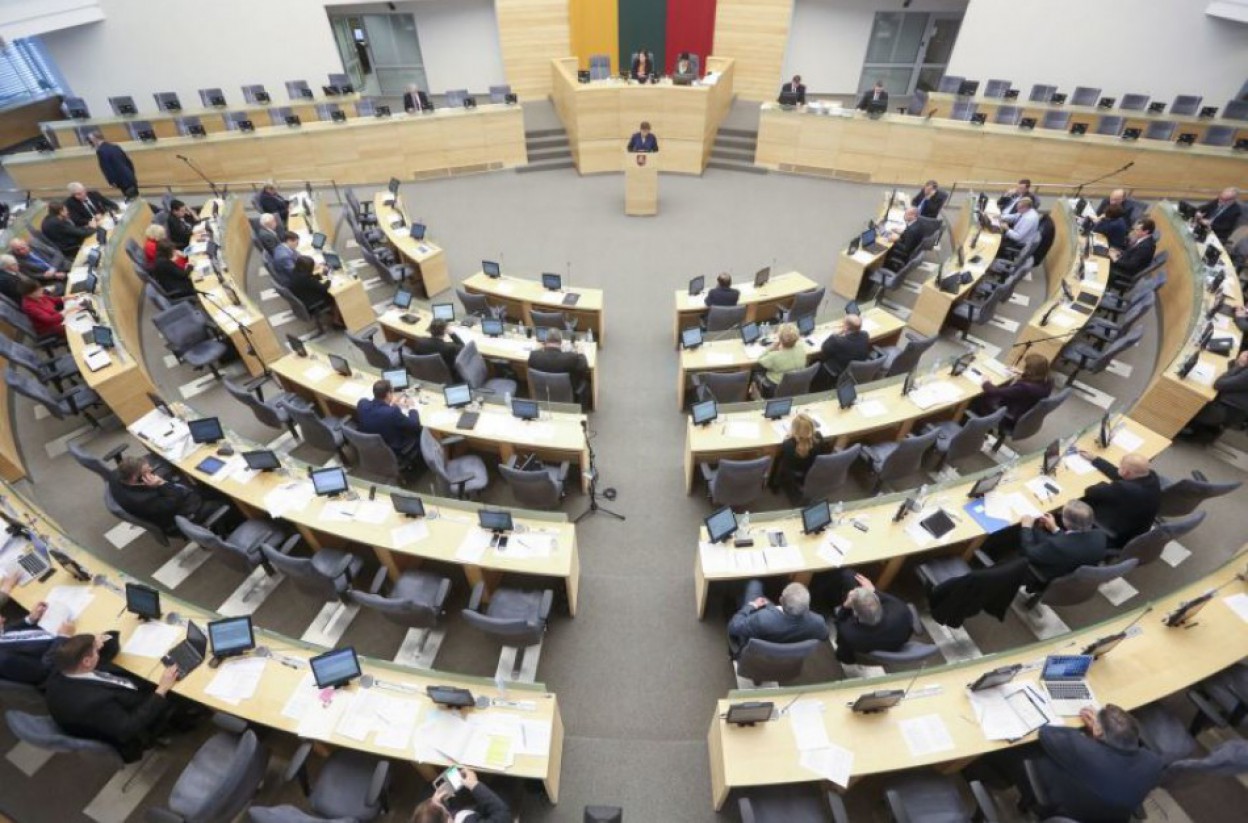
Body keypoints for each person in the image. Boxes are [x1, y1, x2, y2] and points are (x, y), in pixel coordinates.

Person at [45, 632, 181, 762]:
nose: (98, 651)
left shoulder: (63, 668)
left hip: (121, 690)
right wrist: (161, 690)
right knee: (180, 691)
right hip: (136, 719)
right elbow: (129, 727)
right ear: (86, 661)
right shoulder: (92, 703)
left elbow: (109, 648)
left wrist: (101, 639)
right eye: (96, 651)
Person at [1028, 704, 1164, 822]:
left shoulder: (1085, 751)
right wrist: (1097, 730)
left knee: (1030, 752)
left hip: (1072, 810)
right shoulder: (1154, 762)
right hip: (1116, 817)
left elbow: (1045, 733)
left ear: (1098, 731)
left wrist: (1090, 732)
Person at [109, 457, 217, 535]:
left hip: (169, 499)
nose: (151, 470)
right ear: (135, 478)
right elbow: (176, 500)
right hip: (182, 513)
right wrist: (162, 483)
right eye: (147, 472)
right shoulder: (144, 501)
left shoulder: (115, 476)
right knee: (219, 495)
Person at [0, 571, 74, 686]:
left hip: (51, 626)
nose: (3, 619)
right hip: (66, 647)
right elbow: (45, 670)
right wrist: (62, 637)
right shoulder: (5, 661)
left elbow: (10, 634)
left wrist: (30, 619)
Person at [826, 570, 914, 665]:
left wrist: (845, 606)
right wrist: (873, 590)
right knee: (848, 576)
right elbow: (887, 599)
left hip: (860, 651)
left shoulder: (849, 633)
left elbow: (839, 622)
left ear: (855, 613)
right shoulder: (900, 611)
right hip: (893, 643)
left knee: (846, 575)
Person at [1077, 451, 1161, 548]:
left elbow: (1091, 491)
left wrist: (1103, 484)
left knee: (1079, 501)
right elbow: (1120, 476)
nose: (1119, 468)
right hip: (1138, 526)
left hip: (1120, 535)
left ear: (1126, 472)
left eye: (1121, 466)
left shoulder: (1125, 489)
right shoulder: (1151, 476)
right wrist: (1096, 460)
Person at [726, 581, 828, 657]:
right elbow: (824, 636)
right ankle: (740, 599)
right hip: (788, 657)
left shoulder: (762, 619)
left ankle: (739, 600)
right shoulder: (818, 622)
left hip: (756, 652)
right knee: (761, 597)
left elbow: (733, 627)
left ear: (780, 600)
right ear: (807, 606)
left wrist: (751, 606)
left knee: (755, 584)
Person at [1020, 500, 1108, 586]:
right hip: (1077, 567)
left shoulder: (1056, 545)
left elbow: (1029, 553)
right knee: (1039, 530)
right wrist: (1055, 529)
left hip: (1051, 574)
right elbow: (1074, 540)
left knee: (1032, 532)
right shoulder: (1100, 535)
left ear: (1065, 522)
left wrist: (1026, 527)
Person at [1183, 351, 1248, 440]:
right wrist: (1238, 363)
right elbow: (1230, 368)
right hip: (1227, 403)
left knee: (1189, 397)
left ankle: (1188, 428)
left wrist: (1240, 365)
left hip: (1226, 410)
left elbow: (1218, 384)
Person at [971, 353, 1053, 423]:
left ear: (1031, 371)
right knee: (1003, 386)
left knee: (979, 397)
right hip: (1024, 408)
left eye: (1026, 368)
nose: (1024, 367)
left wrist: (986, 382)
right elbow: (1036, 379)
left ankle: (973, 422)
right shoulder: (1048, 381)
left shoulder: (1024, 388)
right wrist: (1022, 373)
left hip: (1010, 413)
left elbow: (994, 391)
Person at [410, 767, 511, 823]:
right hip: (478, 816)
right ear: (448, 819)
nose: (436, 799)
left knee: (428, 789)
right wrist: (475, 786)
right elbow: (503, 815)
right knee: (503, 789)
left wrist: (435, 803)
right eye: (441, 806)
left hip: (460, 812)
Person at [355, 379, 423, 461]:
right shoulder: (393, 412)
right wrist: (412, 408)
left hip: (370, 447)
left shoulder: (362, 404)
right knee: (420, 431)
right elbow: (415, 424)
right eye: (392, 392)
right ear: (388, 394)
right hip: (392, 450)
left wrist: (390, 405)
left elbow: (376, 408)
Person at [769, 412, 825, 502]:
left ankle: (772, 484)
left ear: (794, 429)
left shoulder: (788, 444)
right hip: (809, 470)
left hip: (793, 472)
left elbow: (784, 458)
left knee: (777, 458)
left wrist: (789, 436)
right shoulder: (819, 438)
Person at [528, 329, 590, 405]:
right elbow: (584, 367)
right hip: (566, 397)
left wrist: (539, 349)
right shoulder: (571, 357)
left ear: (546, 341)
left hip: (543, 395)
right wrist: (581, 353)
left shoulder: (533, 356)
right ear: (561, 342)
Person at [755, 323, 805, 395]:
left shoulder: (774, 356)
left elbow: (760, 360)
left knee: (755, 373)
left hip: (776, 386)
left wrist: (771, 347)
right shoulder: (801, 348)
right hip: (796, 384)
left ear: (780, 339)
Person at [86, 133, 138, 199]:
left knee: (131, 198)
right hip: (130, 176)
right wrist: (131, 173)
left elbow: (107, 168)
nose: (90, 143)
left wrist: (112, 181)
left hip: (120, 180)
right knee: (136, 197)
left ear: (95, 139)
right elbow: (128, 161)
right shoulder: (115, 147)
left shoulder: (101, 151)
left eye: (90, 140)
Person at [819, 313, 870, 380]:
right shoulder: (865, 335)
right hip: (855, 370)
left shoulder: (837, 340)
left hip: (839, 371)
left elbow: (824, 349)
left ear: (846, 327)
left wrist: (834, 334)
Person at [1108, 219, 1157, 289]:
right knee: (1105, 254)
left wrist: (1115, 259)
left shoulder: (1145, 247)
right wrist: (1119, 252)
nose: (1135, 231)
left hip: (1125, 273)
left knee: (1102, 263)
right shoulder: (1145, 239)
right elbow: (1131, 253)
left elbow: (1131, 265)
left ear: (1146, 232)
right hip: (1125, 262)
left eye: (1137, 230)